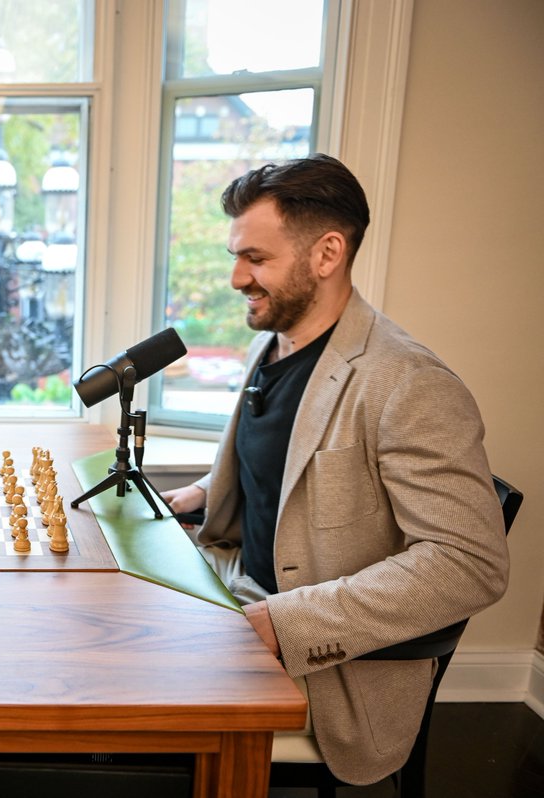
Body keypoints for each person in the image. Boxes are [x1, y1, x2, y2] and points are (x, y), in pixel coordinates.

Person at [160, 154, 509, 785]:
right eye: (236, 256)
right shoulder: (273, 340)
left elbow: (470, 563)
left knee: (126, 689)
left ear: (327, 254)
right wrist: (200, 493)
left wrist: (282, 623)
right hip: (238, 585)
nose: (237, 277)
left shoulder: (408, 383)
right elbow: (291, 471)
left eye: (256, 259)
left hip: (321, 658)